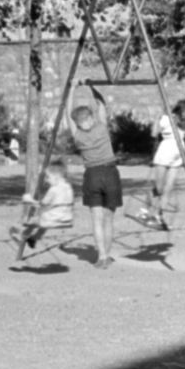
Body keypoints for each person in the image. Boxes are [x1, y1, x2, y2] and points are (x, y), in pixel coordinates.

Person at [66, 83, 122, 269]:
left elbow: (68, 114)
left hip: (92, 176)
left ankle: (102, 256)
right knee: (109, 218)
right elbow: (101, 104)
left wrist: (72, 89)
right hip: (110, 173)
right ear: (90, 117)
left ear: (78, 122)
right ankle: (107, 253)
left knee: (96, 218)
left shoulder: (78, 136)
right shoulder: (101, 128)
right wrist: (91, 87)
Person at [9, 160, 75, 249]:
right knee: (42, 221)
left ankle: (22, 235)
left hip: (54, 219)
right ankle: (34, 238)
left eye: (48, 177)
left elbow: (41, 204)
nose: (46, 180)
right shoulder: (69, 188)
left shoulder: (54, 189)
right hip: (67, 219)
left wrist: (29, 200)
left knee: (31, 221)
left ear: (56, 176)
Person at [137, 109, 184, 229]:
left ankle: (158, 214)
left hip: (177, 154)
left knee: (169, 187)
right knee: (159, 187)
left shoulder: (184, 120)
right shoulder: (166, 119)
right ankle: (145, 210)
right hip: (165, 152)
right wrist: (157, 119)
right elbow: (153, 134)